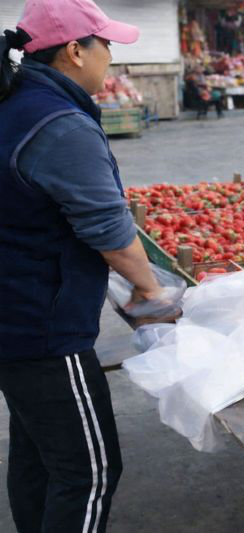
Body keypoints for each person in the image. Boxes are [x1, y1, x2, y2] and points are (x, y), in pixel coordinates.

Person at [0, 1, 170, 531]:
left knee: (37, 452)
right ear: (75, 51)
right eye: (107, 47)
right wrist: (152, 291)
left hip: (11, 313)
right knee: (89, 471)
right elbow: (111, 233)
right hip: (41, 326)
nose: (112, 60)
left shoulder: (16, 100)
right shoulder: (59, 122)